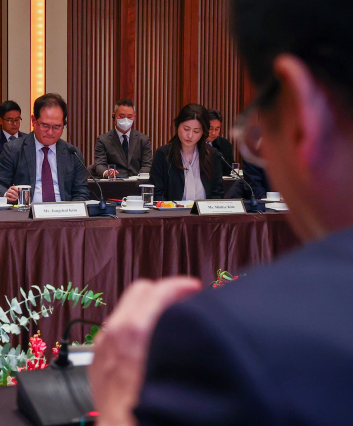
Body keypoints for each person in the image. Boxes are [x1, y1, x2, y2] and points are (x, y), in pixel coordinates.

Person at [90, 0, 353, 424]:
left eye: (255, 122)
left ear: (301, 113)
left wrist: (119, 403)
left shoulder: (231, 337)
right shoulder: (162, 154)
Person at [0, 93, 89, 202]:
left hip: (63, 211)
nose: (50, 132)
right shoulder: (13, 149)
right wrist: (7, 194)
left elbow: (81, 192)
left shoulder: (72, 153)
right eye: (45, 125)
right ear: (33, 121)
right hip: (26, 211)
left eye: (57, 127)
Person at [149, 104, 224, 201]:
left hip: (203, 210)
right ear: (177, 126)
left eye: (196, 131)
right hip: (172, 210)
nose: (190, 135)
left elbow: (217, 193)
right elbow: (157, 193)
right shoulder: (164, 154)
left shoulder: (212, 155)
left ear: (203, 132)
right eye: (186, 129)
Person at [94, 99, 152, 178]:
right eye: (121, 116)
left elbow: (147, 165)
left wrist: (139, 177)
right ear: (114, 116)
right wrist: (107, 173)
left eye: (129, 117)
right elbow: (100, 165)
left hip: (136, 182)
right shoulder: (103, 140)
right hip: (114, 182)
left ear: (134, 117)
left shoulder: (143, 139)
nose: (125, 120)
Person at [207, 109, 235, 175]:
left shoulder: (225, 145)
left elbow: (230, 170)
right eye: (210, 128)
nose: (213, 133)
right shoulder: (194, 144)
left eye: (217, 129)